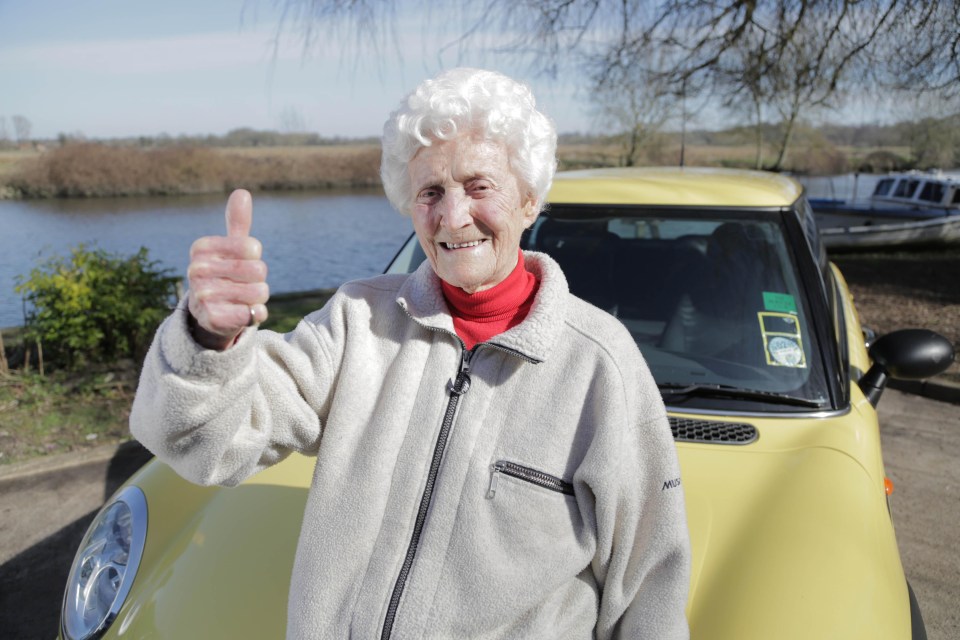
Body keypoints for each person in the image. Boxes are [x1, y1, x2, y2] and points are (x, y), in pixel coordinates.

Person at [130, 67, 691, 639]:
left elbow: (649, 588)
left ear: (528, 200)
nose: (452, 217)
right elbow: (204, 444)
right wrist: (209, 340)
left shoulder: (599, 366)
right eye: (430, 192)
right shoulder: (357, 321)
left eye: (478, 186)